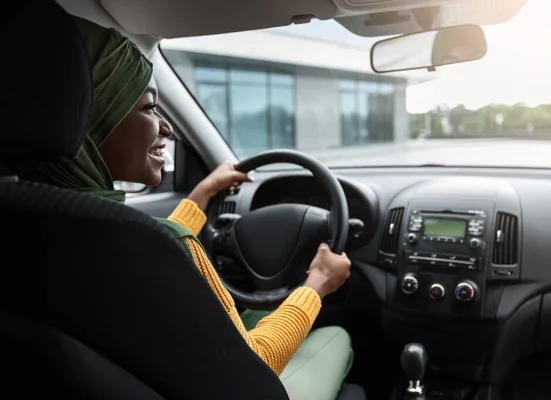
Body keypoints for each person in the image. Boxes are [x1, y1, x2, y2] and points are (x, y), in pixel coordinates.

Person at [7, 15, 354, 400]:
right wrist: (317, 284)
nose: (167, 127)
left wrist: (201, 195)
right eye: (149, 108)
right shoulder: (142, 242)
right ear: (89, 119)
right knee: (336, 336)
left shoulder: (34, 220)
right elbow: (253, 362)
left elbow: (147, 252)